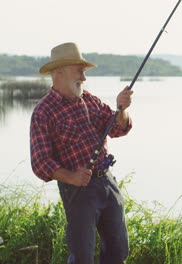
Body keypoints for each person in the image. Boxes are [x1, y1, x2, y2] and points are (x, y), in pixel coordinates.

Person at [30, 42, 134, 264]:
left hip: (108, 183)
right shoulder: (43, 111)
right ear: (60, 71)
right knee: (82, 257)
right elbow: (40, 162)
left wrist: (122, 110)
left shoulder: (91, 100)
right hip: (77, 191)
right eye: (80, 71)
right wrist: (71, 177)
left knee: (119, 252)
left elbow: (118, 129)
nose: (84, 78)